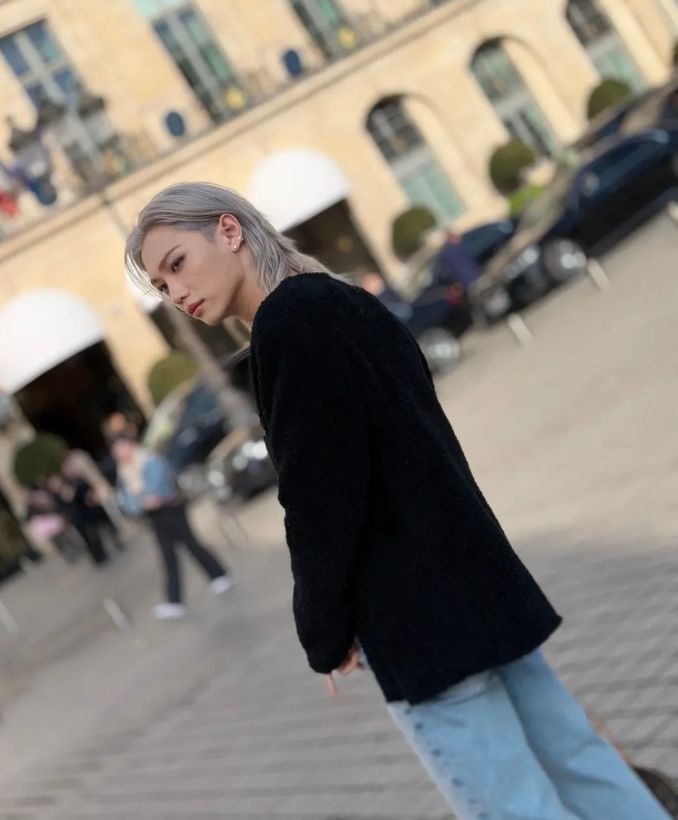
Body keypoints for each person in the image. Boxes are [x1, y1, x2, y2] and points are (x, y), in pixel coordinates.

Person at [124, 181, 670, 820]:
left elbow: (318, 499)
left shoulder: (285, 325)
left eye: (177, 264)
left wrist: (324, 630)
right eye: (161, 286)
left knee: (515, 807)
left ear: (228, 230)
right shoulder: (341, 298)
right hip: (480, 581)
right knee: (581, 761)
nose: (176, 293)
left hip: (417, 616)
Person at [111, 435, 232, 620]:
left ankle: (219, 575)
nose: (121, 454)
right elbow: (130, 505)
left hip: (171, 509)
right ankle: (175, 600)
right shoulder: (124, 473)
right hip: (155, 517)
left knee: (191, 544)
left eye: (122, 447)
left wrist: (141, 497)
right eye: (116, 451)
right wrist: (141, 499)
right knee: (168, 556)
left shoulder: (150, 461)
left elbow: (156, 489)